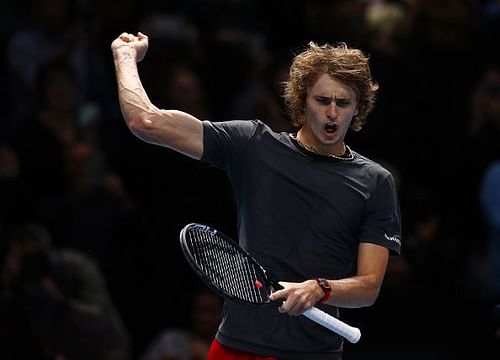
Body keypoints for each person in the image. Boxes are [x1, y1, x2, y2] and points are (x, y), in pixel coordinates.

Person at [111, 32, 401, 360]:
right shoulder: (253, 145)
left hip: (312, 354)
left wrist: (321, 288)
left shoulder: (376, 182)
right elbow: (144, 120)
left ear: (358, 108)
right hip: (235, 348)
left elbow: (368, 288)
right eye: (322, 101)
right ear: (303, 99)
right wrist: (124, 55)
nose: (332, 113)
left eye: (343, 103)